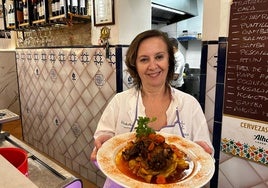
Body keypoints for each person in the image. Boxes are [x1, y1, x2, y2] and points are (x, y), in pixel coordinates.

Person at [90, 29, 213, 187]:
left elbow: (203, 162)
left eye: (159, 57)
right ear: (135, 65)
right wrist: (101, 146)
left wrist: (205, 154)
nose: (152, 65)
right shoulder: (119, 102)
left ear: (169, 60)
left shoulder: (190, 105)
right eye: (144, 59)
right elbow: (104, 154)